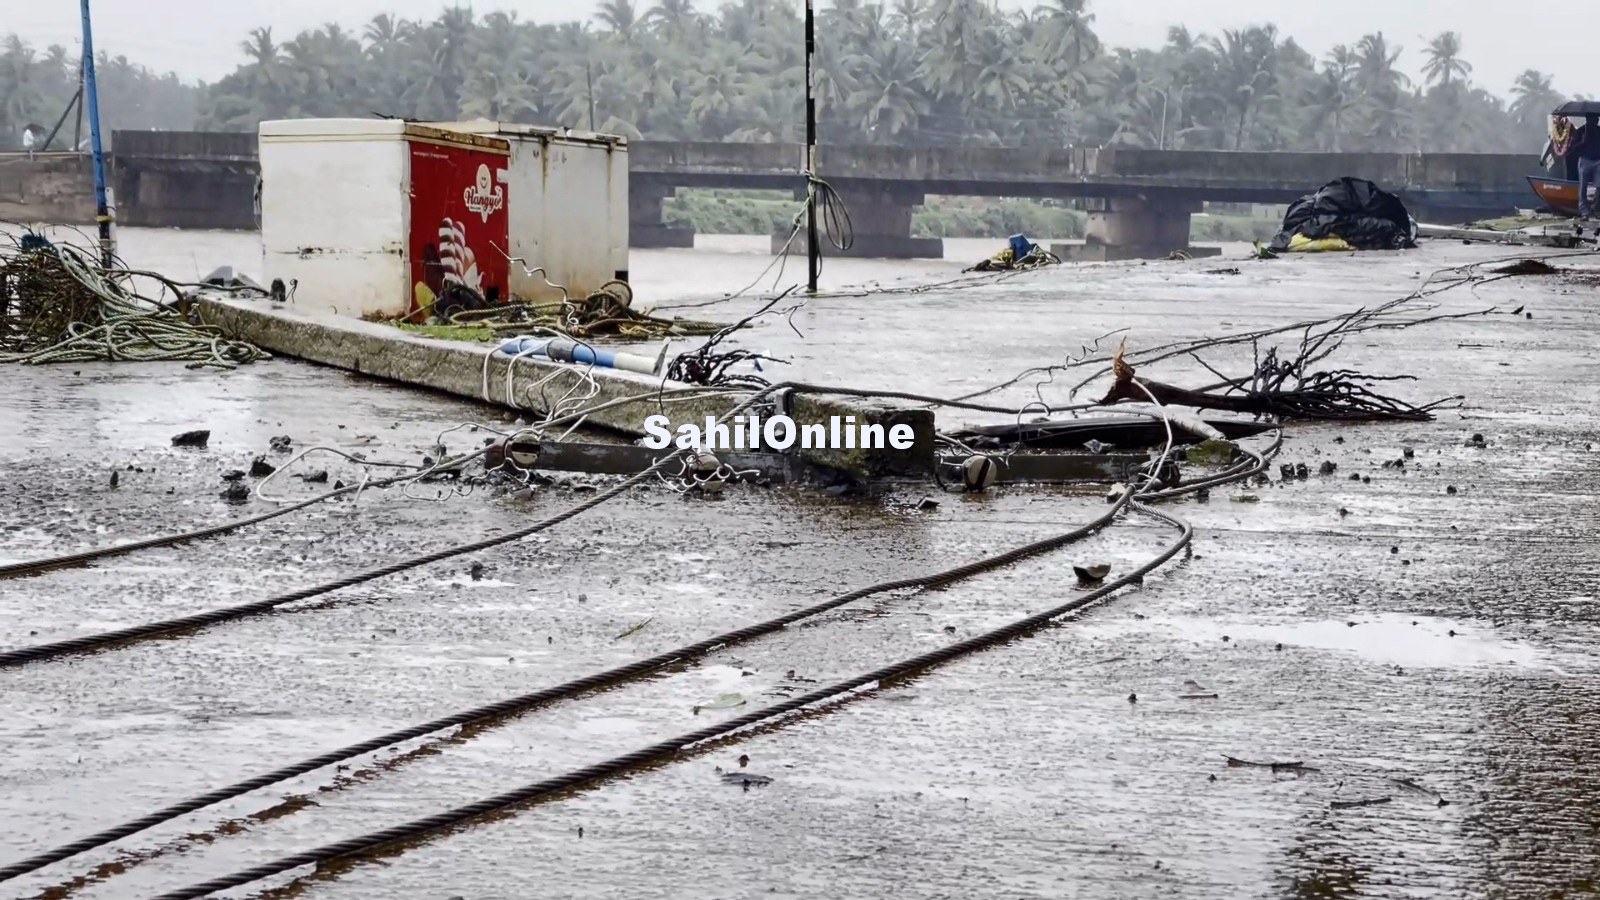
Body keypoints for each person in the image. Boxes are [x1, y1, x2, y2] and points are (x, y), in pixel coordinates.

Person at [1575, 113, 1600, 219]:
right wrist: (1582, 142)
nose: (1595, 121)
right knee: (1583, 187)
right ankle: (1584, 212)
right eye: (1593, 119)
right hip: (1584, 160)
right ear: (1587, 120)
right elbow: (1573, 147)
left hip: (1598, 161)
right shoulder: (1581, 131)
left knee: (1599, 186)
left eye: (1597, 119)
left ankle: (1596, 209)